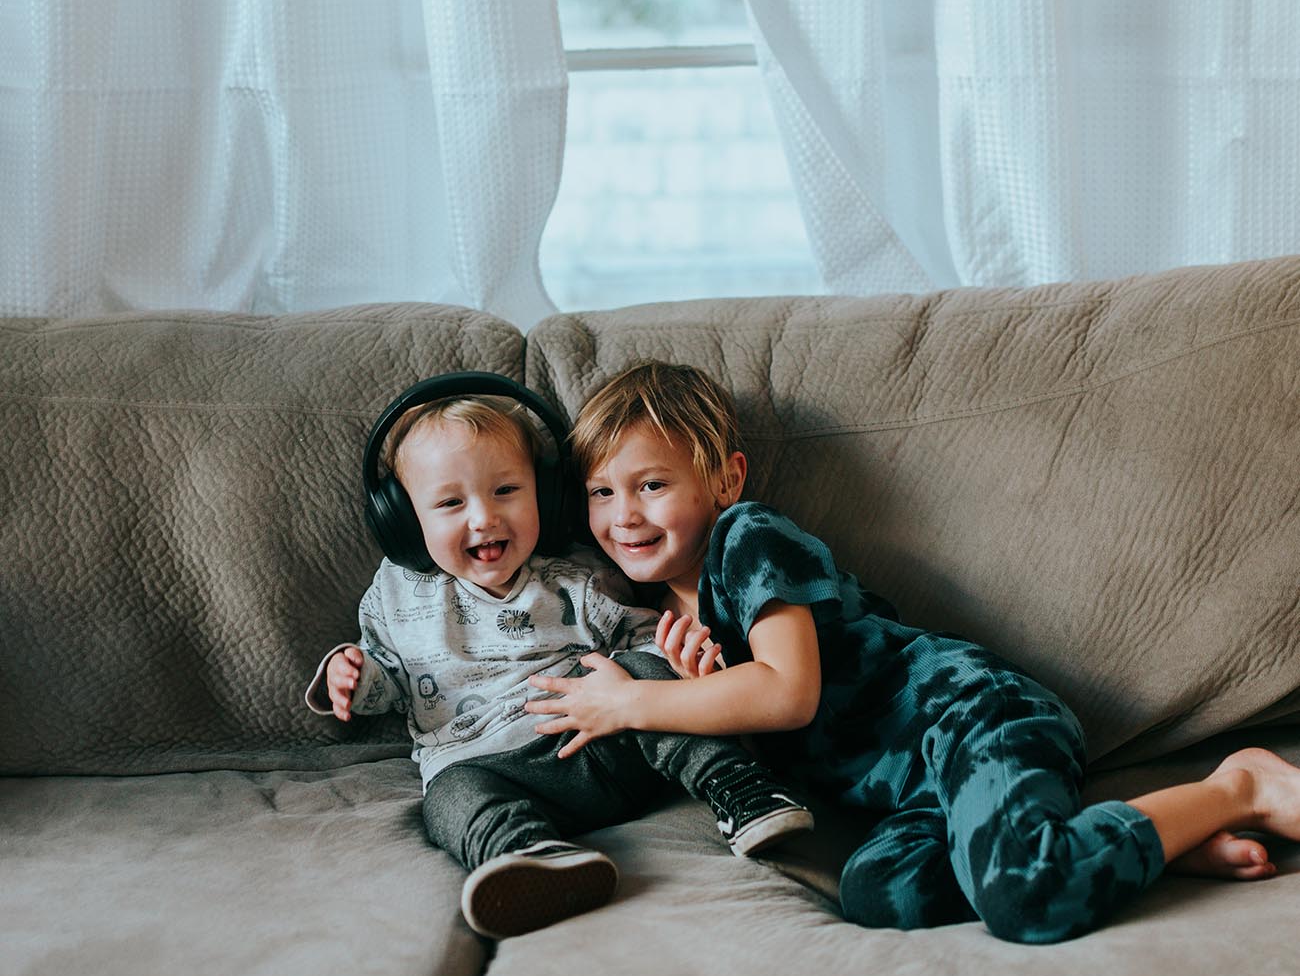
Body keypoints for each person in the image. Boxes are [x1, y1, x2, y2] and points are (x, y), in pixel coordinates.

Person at [523, 360, 1300, 943]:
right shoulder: (662, 620)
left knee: (1024, 899)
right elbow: (769, 732)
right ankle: (1132, 840)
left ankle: (1240, 786)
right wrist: (705, 694)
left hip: (973, 718)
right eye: (600, 492)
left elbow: (789, 691)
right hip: (916, 792)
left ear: (725, 479)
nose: (622, 514)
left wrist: (633, 702)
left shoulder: (747, 539)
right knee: (880, 893)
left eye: (651, 484)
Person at [306, 383, 812, 941]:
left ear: (544, 499)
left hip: (604, 737)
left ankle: (741, 790)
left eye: (505, 491)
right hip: (491, 766)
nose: (483, 518)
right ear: (404, 519)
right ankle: (526, 855)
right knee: (447, 797)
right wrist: (351, 676)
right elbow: (387, 680)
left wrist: (676, 660)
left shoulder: (577, 576)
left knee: (647, 675)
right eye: (451, 503)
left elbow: (643, 636)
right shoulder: (396, 596)